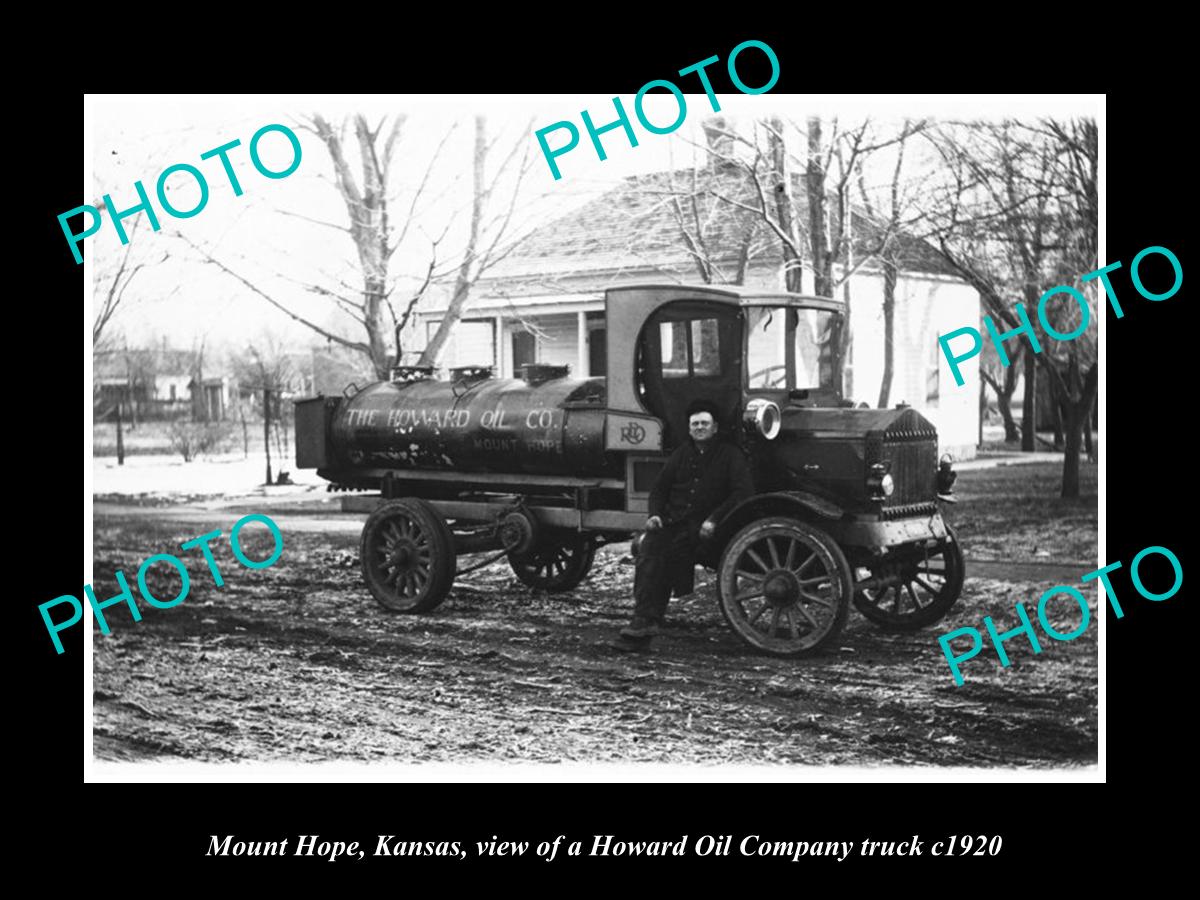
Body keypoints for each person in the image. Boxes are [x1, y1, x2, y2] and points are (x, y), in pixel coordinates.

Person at [616, 398, 755, 649]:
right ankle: (642, 622)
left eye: (704, 423)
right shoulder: (681, 453)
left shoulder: (730, 455)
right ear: (689, 428)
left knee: (670, 553)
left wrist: (714, 520)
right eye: (695, 424)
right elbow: (659, 489)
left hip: (711, 527)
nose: (699, 428)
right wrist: (654, 515)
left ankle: (647, 621)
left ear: (715, 428)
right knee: (650, 550)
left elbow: (742, 493)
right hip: (675, 522)